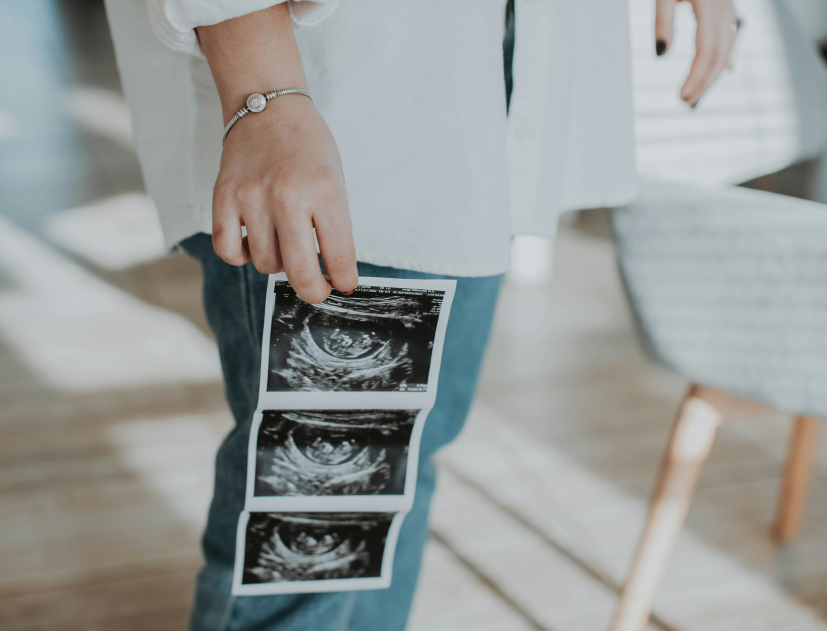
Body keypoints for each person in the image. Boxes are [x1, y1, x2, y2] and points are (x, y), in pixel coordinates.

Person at [103, 0, 741, 628]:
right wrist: (265, 95)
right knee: (325, 512)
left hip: (488, 67)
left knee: (402, 462)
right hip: (338, 96)